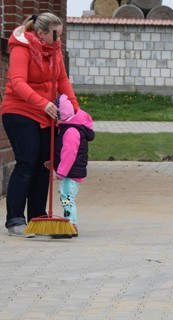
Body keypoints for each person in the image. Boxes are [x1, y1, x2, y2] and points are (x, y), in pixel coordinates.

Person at [1, 13, 80, 237]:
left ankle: (38, 217)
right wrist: (42, 103)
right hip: (20, 111)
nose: (58, 40)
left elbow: (62, 79)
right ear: (40, 32)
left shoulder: (54, 50)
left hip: (47, 113)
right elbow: (17, 82)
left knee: (44, 164)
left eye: (60, 35)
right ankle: (15, 220)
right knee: (27, 162)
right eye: (54, 35)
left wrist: (74, 108)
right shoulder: (22, 47)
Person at [53, 94, 94, 237]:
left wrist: (61, 172)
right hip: (73, 172)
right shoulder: (73, 127)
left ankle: (69, 225)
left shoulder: (71, 131)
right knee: (68, 198)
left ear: (62, 114)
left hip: (70, 173)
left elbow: (68, 154)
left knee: (67, 198)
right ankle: (72, 224)